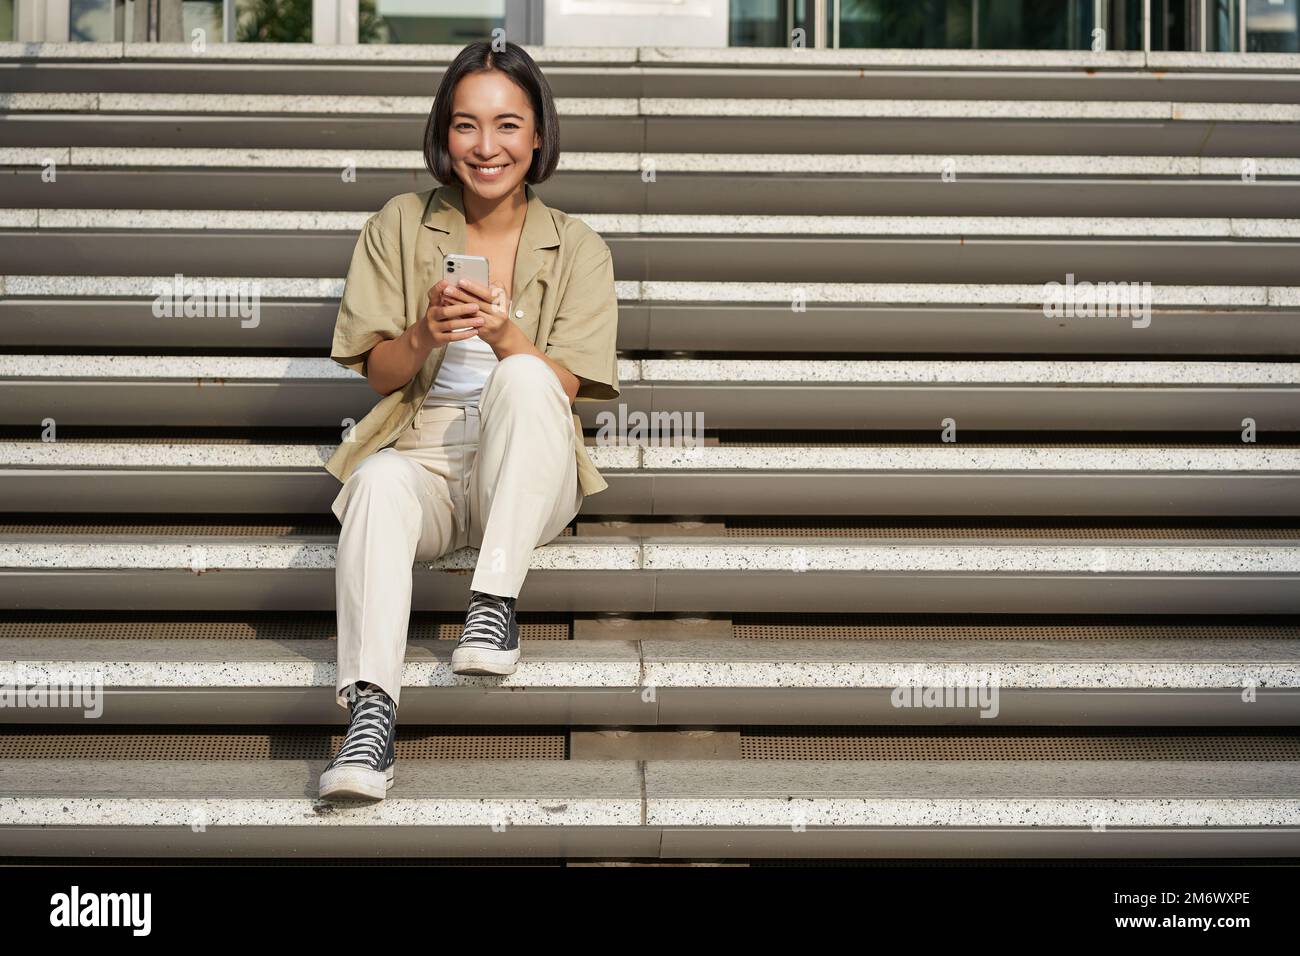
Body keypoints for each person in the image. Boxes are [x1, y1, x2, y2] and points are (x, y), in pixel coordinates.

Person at [317, 40, 620, 801]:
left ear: (539, 135)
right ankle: (370, 719)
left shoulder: (579, 247)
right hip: (425, 456)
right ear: (443, 134)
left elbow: (569, 386)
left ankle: (492, 608)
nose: (487, 148)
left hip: (527, 467)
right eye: (466, 126)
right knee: (379, 482)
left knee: (522, 375)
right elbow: (374, 371)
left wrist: (502, 332)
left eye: (508, 125)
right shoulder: (398, 223)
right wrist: (425, 333)